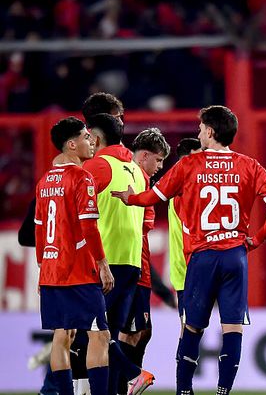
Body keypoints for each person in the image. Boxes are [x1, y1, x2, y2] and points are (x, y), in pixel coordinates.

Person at [112, 105, 266, 395]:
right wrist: (256, 239)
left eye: (200, 128)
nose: (198, 133)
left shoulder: (189, 165)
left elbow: (151, 197)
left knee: (192, 328)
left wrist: (130, 199)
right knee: (232, 328)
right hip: (235, 256)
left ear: (209, 131)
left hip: (202, 256)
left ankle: (184, 391)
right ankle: (222, 392)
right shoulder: (249, 165)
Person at [35, 117, 114, 395]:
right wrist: (103, 264)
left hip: (52, 272)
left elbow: (39, 232)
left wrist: (42, 269)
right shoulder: (82, 177)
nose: (91, 141)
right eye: (84, 137)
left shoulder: (45, 181)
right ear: (71, 144)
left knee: (62, 335)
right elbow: (89, 226)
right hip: (78, 271)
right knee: (100, 336)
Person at [82, 113, 154, 395]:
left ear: (96, 138)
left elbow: (80, 212)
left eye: (89, 137)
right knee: (108, 334)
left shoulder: (97, 166)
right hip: (132, 262)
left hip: (104, 262)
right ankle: (121, 383)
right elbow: (148, 220)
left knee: (94, 333)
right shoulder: (138, 170)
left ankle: (134, 373)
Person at [117, 128, 170, 394]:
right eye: (159, 160)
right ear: (145, 156)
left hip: (141, 266)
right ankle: (127, 381)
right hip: (131, 266)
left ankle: (127, 382)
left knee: (142, 331)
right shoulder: (133, 177)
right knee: (130, 332)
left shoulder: (141, 182)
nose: (160, 167)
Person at [168, 138, 202, 318]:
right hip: (191, 272)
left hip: (191, 272)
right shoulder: (184, 190)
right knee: (190, 329)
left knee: (192, 329)